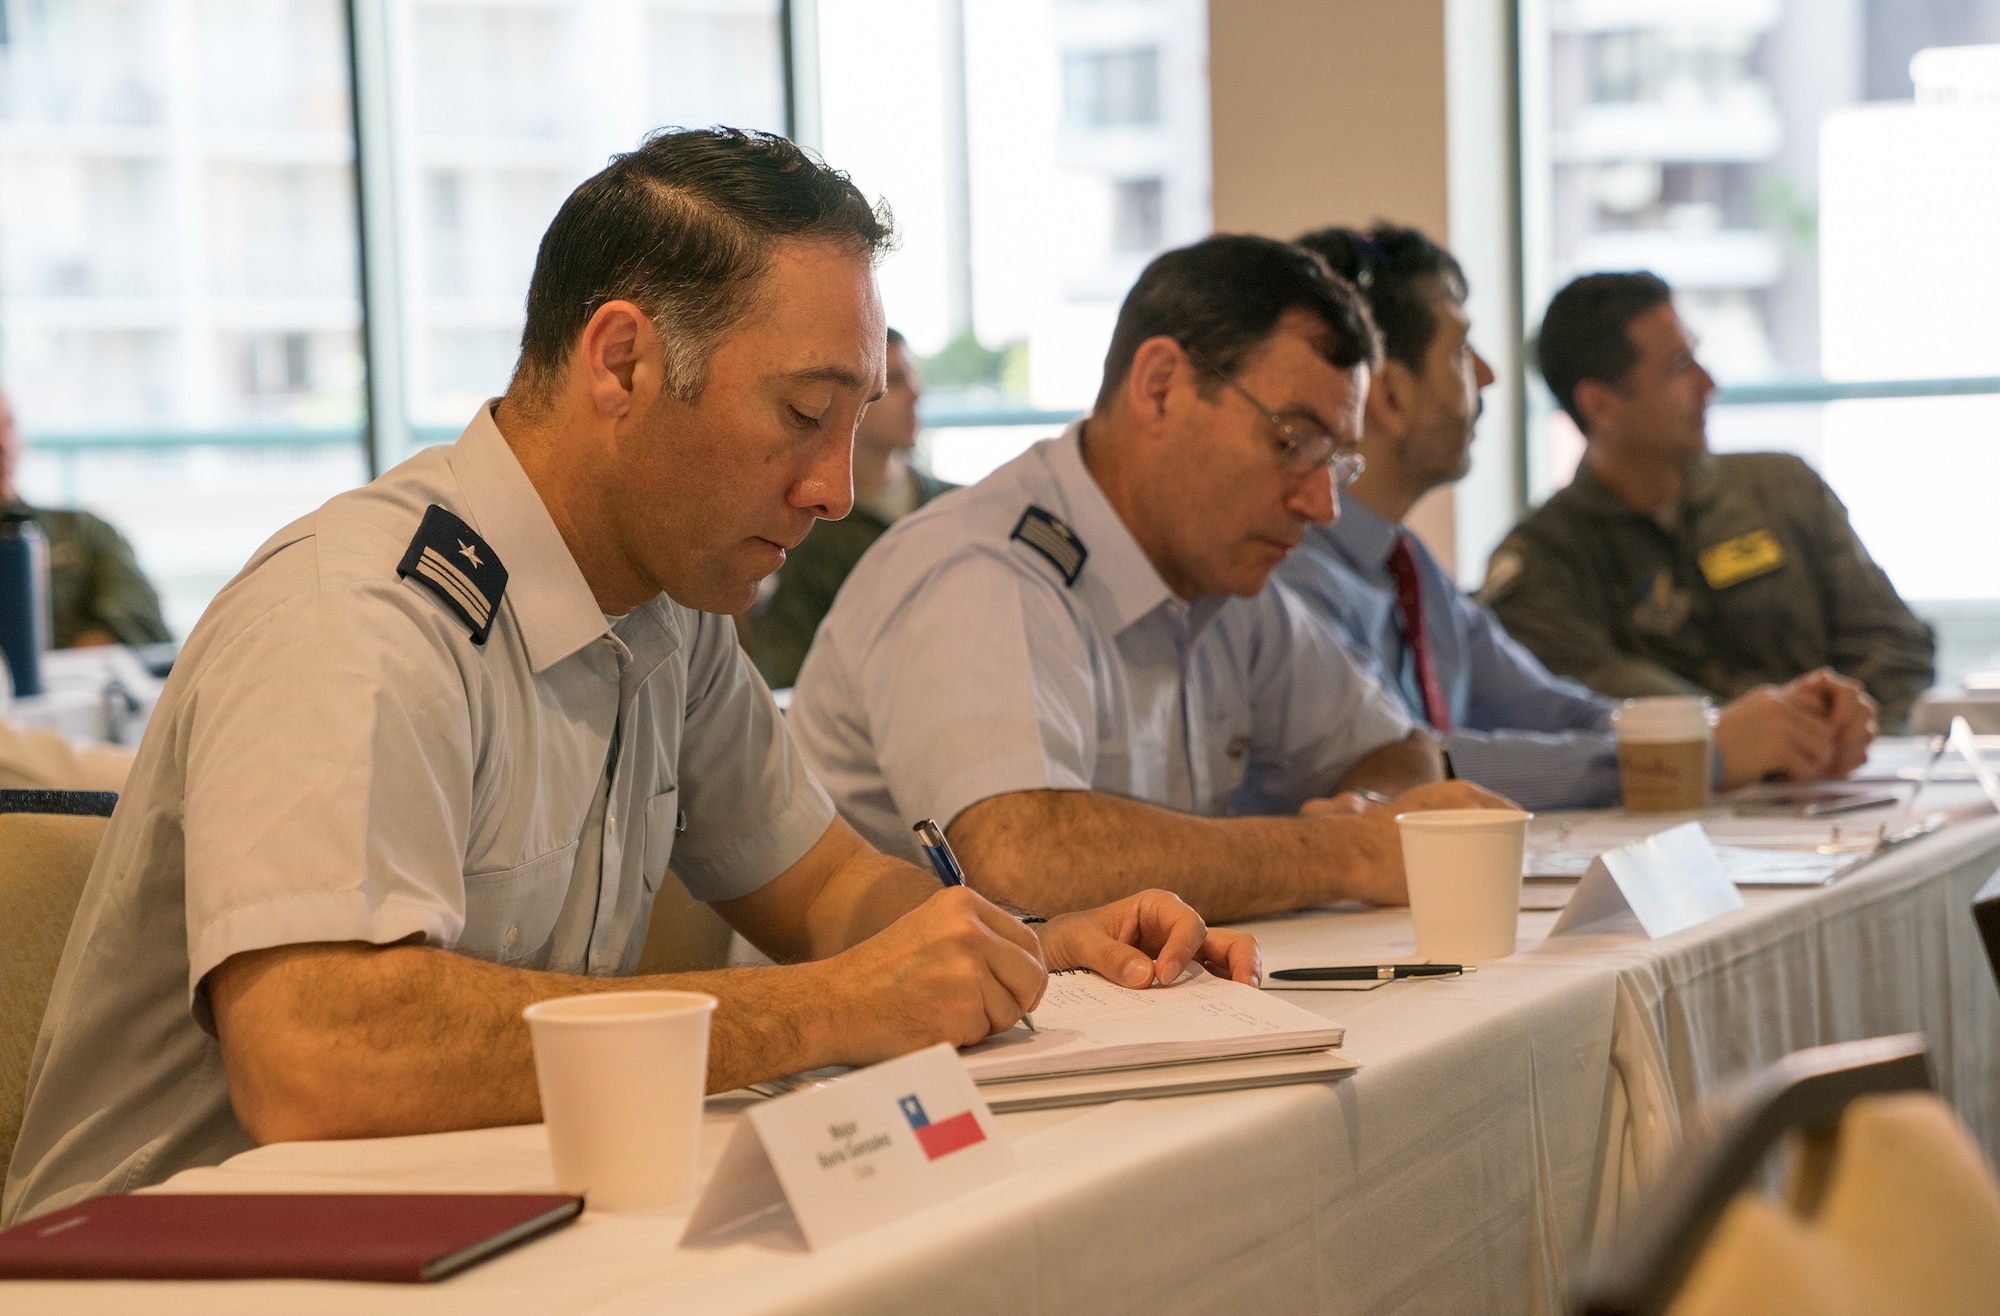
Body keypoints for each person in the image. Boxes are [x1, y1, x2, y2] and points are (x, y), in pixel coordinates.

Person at [2, 128, 1255, 1226]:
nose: (831, 486)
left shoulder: (670, 604)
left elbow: (824, 891)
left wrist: (1016, 944)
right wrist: (826, 1010)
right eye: (802, 413)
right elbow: (321, 1055)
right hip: (169, 1263)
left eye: (853, 419)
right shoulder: (357, 614)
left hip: (469, 1229)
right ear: (620, 362)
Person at [788, 235, 1511, 926]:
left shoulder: (1220, 572)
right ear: (1161, 386)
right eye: (1294, 443)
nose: (1323, 505)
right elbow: (1019, 865)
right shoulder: (980, 567)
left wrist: (1369, 809)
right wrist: (1345, 851)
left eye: (1338, 464)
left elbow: (1401, 750)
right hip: (883, 1049)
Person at [1278, 226, 1876, 811]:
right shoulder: (1287, 575)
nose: (1487, 375)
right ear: (1389, 394)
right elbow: (1407, 763)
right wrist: (1701, 751)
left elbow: (1556, 710)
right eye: (1460, 350)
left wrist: (1741, 729)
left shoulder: (1407, 567)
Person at [1483, 272, 1935, 730]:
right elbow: (1590, 706)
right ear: (1600, 404)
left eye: (1697, 356)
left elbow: (1895, 643)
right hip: (1680, 793)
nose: (1708, 385)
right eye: (1679, 366)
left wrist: (1848, 729)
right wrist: (1758, 741)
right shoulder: (1542, 562)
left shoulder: (1784, 489)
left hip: (1857, 785)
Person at [750, 327, 952, 688]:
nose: (917, 396)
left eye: (914, 377)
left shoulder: (956, 510)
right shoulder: (802, 532)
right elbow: (786, 675)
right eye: (899, 383)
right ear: (858, 397)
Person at [0, 385, 173, 649]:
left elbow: (144, 623)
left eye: (9, 426)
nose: (4, 444)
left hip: (84, 684)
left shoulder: (82, 530)